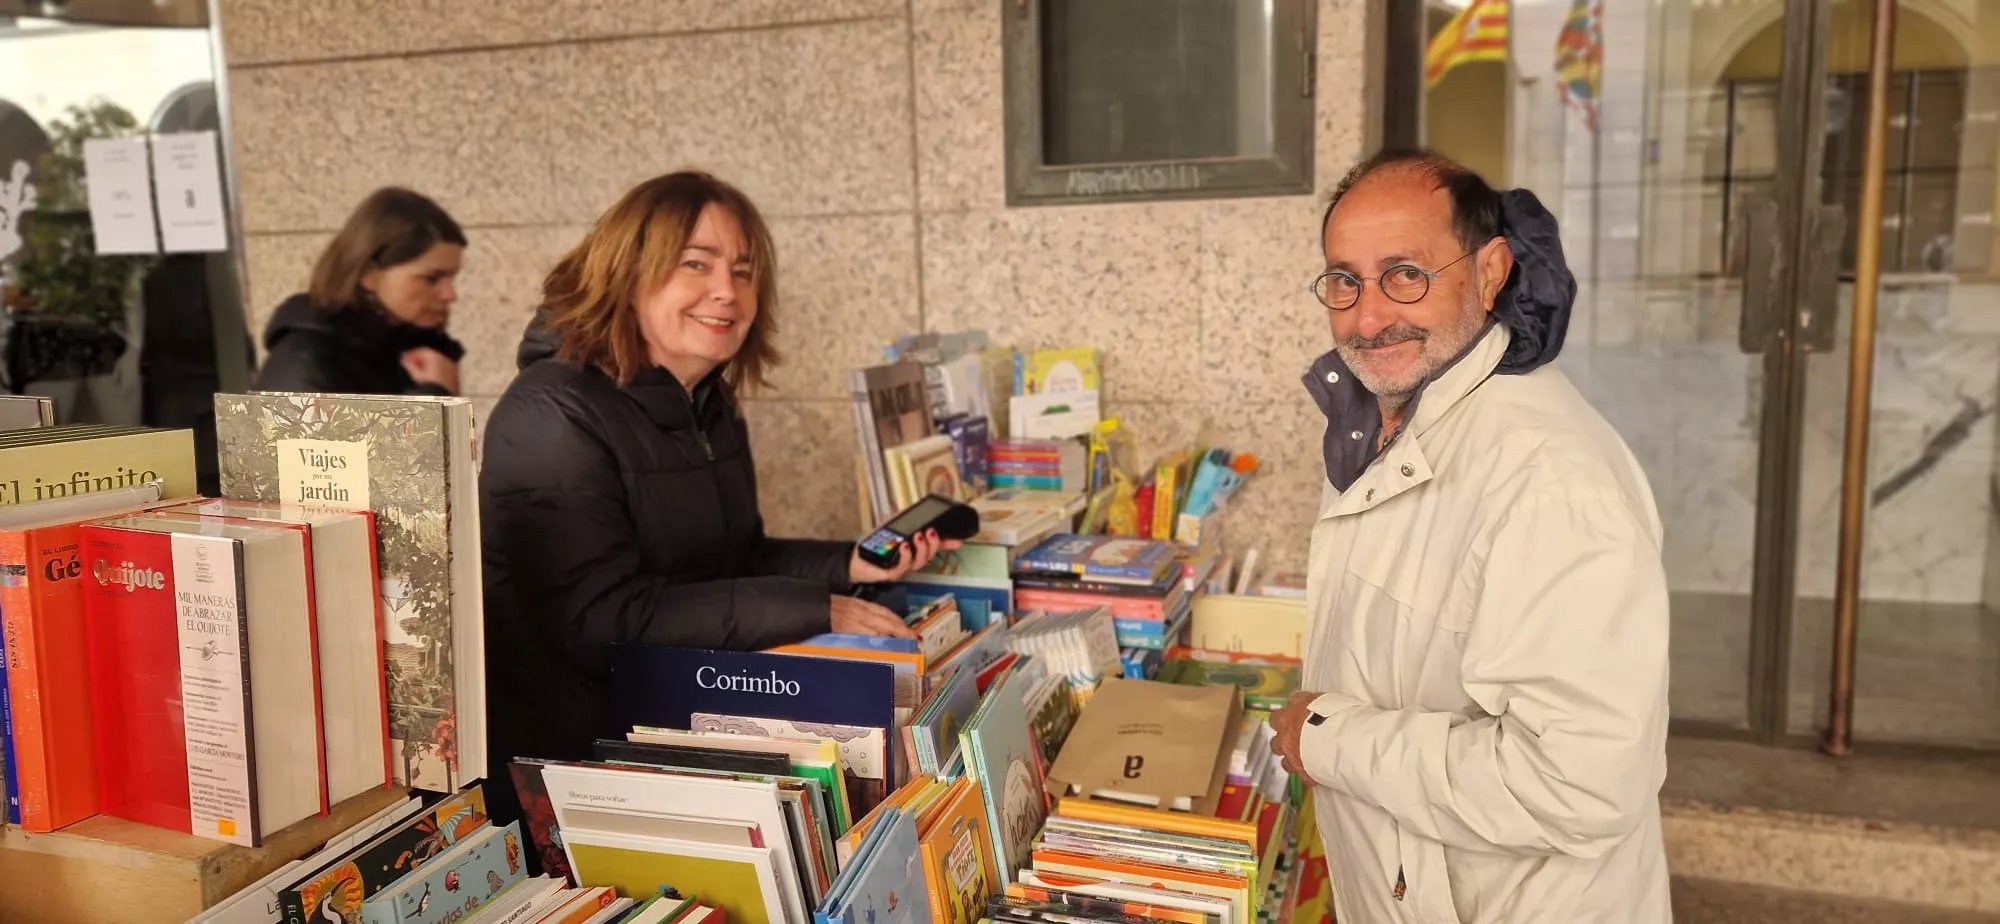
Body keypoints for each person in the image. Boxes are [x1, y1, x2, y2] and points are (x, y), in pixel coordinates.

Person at [1268, 150, 1671, 923]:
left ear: (1490, 272)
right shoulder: (1387, 416)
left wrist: (1328, 741)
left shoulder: (1549, 480)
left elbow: (1578, 782)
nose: (1369, 315)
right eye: (1345, 280)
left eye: (1406, 274)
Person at [478, 170, 945, 823]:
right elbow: (597, 622)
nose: (727, 292)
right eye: (695, 264)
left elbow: (736, 559)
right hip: (579, 766)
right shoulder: (551, 413)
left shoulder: (708, 401)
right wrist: (817, 607)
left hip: (678, 723)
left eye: (744, 271)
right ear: (627, 272)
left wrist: (852, 565)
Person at [253, 187, 466, 396]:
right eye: (431, 279)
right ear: (368, 273)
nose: (450, 294)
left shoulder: (408, 351)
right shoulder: (305, 362)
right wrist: (433, 396)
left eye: (452, 278)